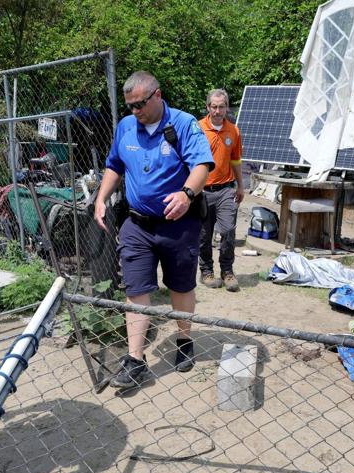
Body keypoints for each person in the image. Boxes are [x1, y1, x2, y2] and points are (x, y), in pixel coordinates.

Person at [94, 71, 214, 388]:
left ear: (157, 95)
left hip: (179, 225)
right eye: (130, 105)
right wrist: (101, 198)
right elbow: (114, 165)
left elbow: (202, 165)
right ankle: (136, 360)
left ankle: (185, 340)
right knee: (135, 290)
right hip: (137, 224)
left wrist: (187, 194)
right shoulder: (125, 127)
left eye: (140, 104)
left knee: (181, 287)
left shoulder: (184, 124)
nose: (135, 111)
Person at [198, 89, 244, 292]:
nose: (217, 110)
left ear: (227, 107)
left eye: (221, 106)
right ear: (208, 107)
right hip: (202, 191)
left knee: (227, 231)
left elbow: (236, 161)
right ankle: (206, 271)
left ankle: (227, 271)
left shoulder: (234, 131)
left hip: (226, 189)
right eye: (213, 106)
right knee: (203, 235)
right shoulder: (197, 129)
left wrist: (241, 186)